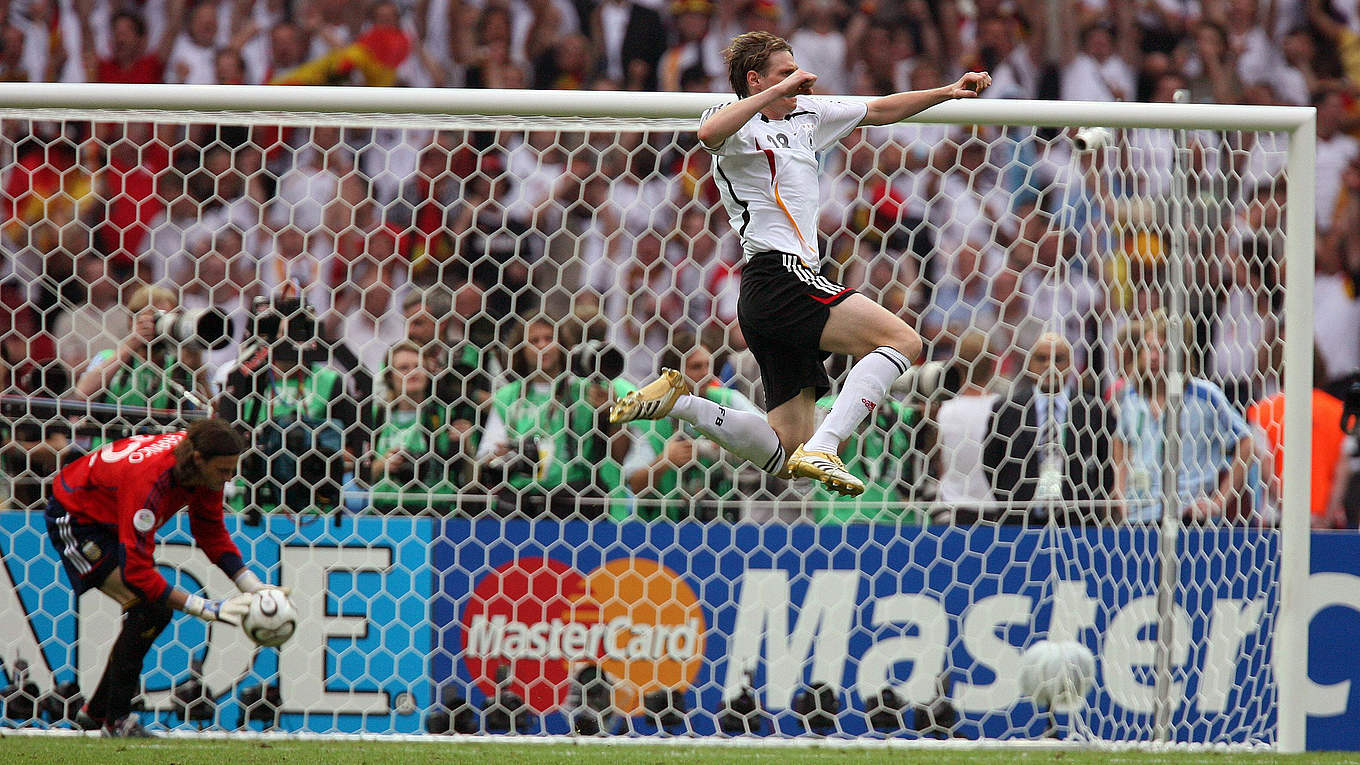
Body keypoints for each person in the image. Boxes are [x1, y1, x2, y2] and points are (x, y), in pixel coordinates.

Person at [611, 30, 989, 497]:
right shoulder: (733, 120)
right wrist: (778, 92)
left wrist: (947, 91)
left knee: (786, 454)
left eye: (796, 71)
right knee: (903, 341)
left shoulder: (808, 117)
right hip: (779, 275)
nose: (800, 80)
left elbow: (878, 109)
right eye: (785, 73)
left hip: (773, 292)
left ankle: (682, 403)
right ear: (755, 80)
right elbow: (707, 134)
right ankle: (827, 446)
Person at [45, 419, 282, 736]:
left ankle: (98, 713)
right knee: (151, 609)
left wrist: (251, 585)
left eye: (232, 470)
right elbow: (136, 572)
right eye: (223, 470)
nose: (228, 478)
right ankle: (114, 720)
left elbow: (209, 529)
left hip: (111, 511)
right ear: (198, 459)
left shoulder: (201, 462)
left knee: (151, 610)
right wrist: (203, 607)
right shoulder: (151, 479)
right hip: (77, 517)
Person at [982, 333, 1123, 525]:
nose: (1050, 366)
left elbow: (1106, 466)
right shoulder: (1007, 410)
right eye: (1041, 358)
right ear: (1029, 364)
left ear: (1071, 364)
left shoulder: (1094, 411)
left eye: (1058, 359)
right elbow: (991, 463)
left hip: (1078, 523)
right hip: (1019, 523)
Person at [620, 335, 761, 521]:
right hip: (664, 524)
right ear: (673, 375)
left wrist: (731, 444)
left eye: (708, 366)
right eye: (696, 367)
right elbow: (635, 485)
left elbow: (766, 431)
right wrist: (665, 460)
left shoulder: (729, 401)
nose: (706, 374)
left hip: (724, 520)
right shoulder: (650, 419)